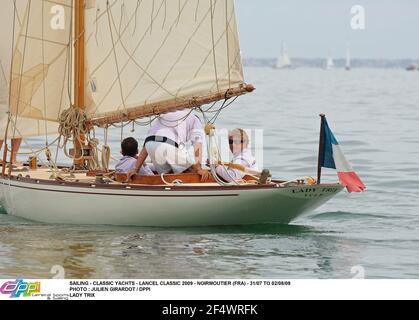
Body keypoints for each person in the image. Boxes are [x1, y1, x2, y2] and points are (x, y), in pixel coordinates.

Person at [131, 109, 210, 181]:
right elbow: (197, 144)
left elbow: (146, 146)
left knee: (168, 176)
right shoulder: (196, 121)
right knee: (191, 171)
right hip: (168, 145)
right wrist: (199, 168)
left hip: (150, 144)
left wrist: (135, 169)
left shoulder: (167, 114)